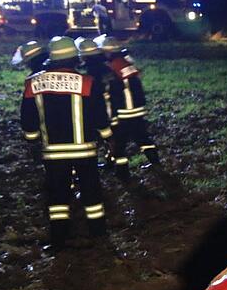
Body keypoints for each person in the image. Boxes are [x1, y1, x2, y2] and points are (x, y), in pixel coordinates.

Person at [20, 36, 113, 249]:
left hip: (53, 153)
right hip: (85, 151)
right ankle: (99, 233)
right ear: (75, 58)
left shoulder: (33, 83)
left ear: (51, 58)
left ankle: (59, 239)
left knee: (57, 195)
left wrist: (32, 140)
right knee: (91, 192)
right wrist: (107, 136)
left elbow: (28, 119)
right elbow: (100, 116)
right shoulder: (88, 82)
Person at [95, 35, 159, 178]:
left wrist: (113, 115)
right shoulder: (127, 62)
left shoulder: (112, 67)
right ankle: (156, 162)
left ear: (107, 52)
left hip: (125, 112)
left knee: (119, 145)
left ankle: (122, 174)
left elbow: (112, 92)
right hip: (137, 110)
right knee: (143, 138)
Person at [76, 36, 118, 170]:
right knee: (111, 134)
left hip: (97, 107)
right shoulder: (107, 68)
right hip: (114, 105)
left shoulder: (87, 71)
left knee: (98, 135)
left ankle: (104, 159)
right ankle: (112, 158)